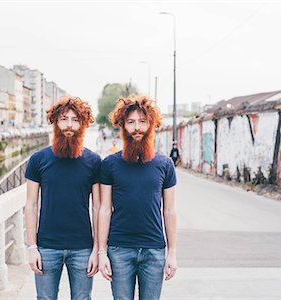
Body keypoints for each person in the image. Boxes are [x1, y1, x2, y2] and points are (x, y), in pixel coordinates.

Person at [98, 95, 178, 299]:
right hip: (119, 249)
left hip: (154, 250)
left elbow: (169, 211)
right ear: (123, 126)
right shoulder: (109, 164)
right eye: (131, 122)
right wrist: (101, 252)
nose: (137, 128)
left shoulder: (165, 164)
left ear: (151, 125)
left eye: (143, 122)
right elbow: (104, 209)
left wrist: (172, 253)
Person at [24, 96, 101, 300]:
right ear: (55, 122)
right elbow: (30, 205)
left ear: (83, 124)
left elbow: (98, 207)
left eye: (75, 120)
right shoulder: (38, 160)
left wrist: (97, 249)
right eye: (64, 119)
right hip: (47, 246)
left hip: (83, 247)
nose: (69, 125)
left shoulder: (94, 162)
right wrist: (32, 247)